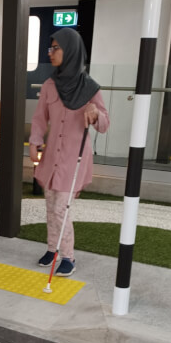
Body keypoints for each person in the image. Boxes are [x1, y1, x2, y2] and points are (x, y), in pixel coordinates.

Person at [29, 28, 109, 277]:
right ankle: (52, 249)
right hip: (52, 157)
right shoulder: (50, 85)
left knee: (62, 208)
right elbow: (40, 117)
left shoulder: (90, 88)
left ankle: (68, 257)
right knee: (50, 204)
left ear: (71, 51)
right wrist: (34, 141)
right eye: (50, 48)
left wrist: (95, 114)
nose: (51, 53)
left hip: (74, 160)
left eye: (56, 48)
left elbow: (105, 124)